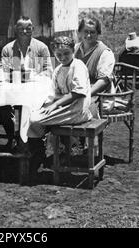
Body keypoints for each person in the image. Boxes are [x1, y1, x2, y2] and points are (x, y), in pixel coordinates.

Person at [27, 35, 93, 173]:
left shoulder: (78, 66)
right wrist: (47, 104)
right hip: (65, 108)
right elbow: (54, 94)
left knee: (34, 120)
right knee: (30, 114)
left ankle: (41, 153)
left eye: (66, 53)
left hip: (77, 110)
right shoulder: (58, 70)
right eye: (58, 55)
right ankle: (39, 152)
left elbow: (78, 92)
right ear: (54, 54)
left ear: (73, 50)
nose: (63, 57)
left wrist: (55, 105)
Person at [0, 16, 53, 149]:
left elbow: (48, 71)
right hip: (14, 90)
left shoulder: (41, 48)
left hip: (35, 92)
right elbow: (3, 71)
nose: (24, 31)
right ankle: (11, 137)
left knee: (35, 111)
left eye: (28, 29)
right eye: (21, 28)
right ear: (15, 30)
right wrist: (13, 75)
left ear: (33, 30)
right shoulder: (8, 49)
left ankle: (36, 139)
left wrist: (32, 76)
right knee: (3, 107)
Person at [75, 18, 115, 116]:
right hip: (77, 93)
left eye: (92, 32)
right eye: (85, 32)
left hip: (99, 96)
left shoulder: (105, 53)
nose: (88, 35)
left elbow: (103, 81)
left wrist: (84, 95)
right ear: (79, 32)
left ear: (98, 33)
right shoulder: (75, 49)